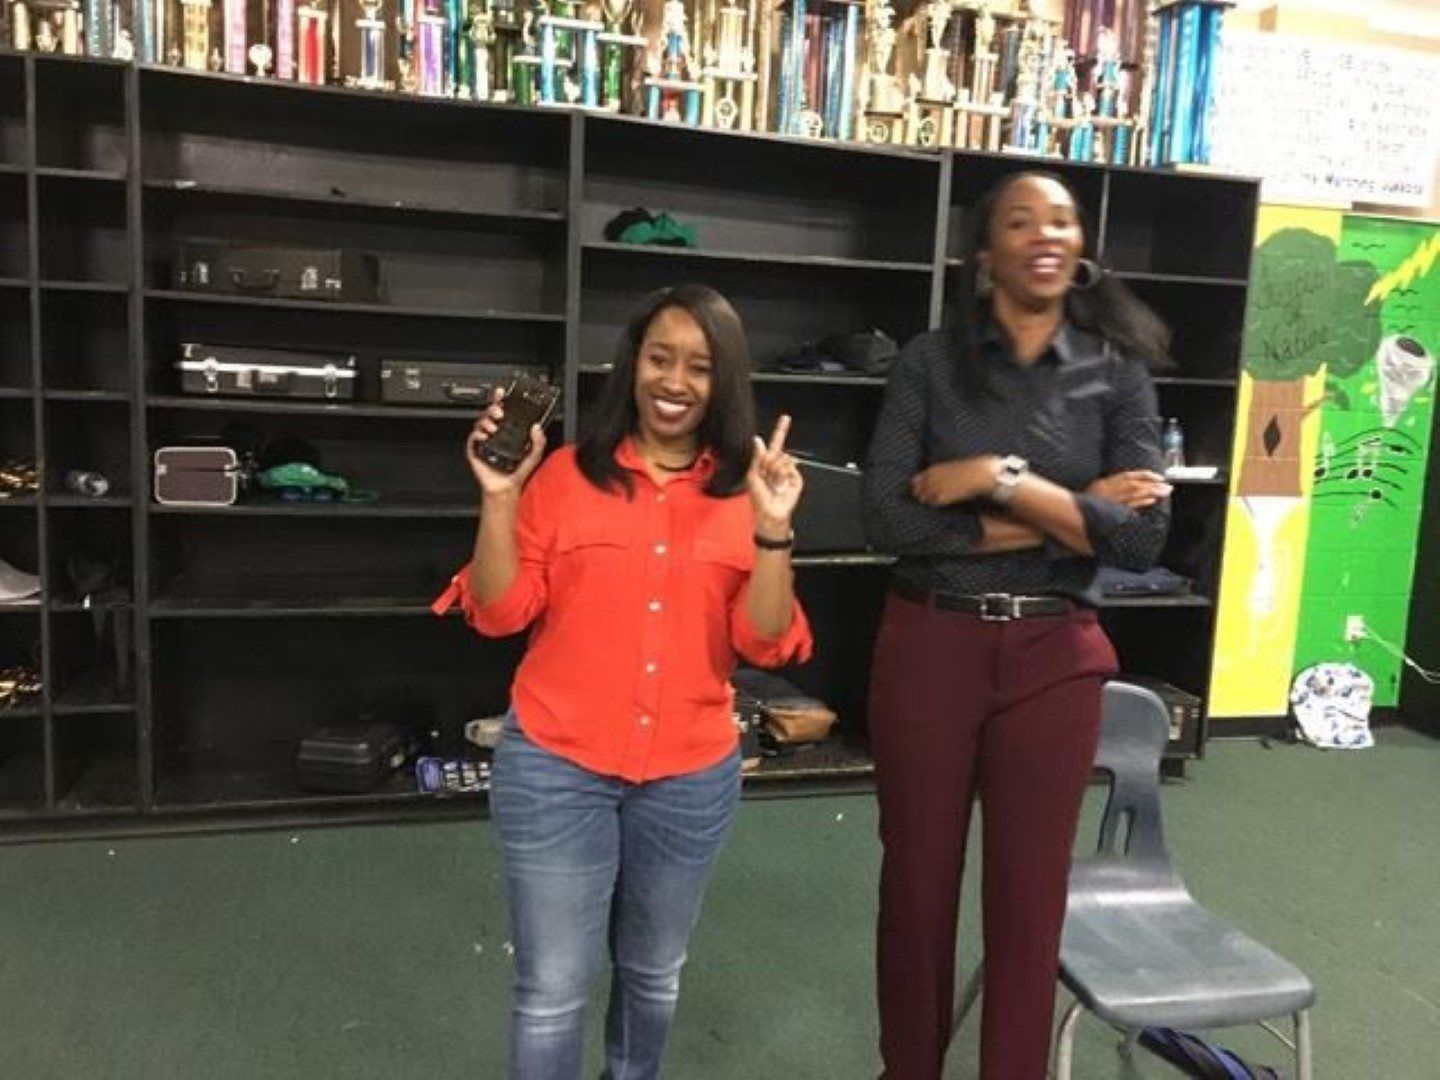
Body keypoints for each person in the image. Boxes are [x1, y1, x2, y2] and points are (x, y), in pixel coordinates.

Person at [436, 283, 811, 1080]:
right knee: (550, 989)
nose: (674, 381)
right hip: (556, 767)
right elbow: (500, 614)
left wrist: (773, 532)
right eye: (659, 357)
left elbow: (765, 641)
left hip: (688, 776)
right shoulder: (568, 476)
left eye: (700, 366)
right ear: (631, 365)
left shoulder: (749, 490)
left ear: (725, 382)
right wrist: (500, 496)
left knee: (651, 974)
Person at [862, 170, 1174, 1080]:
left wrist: (998, 480)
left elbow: (1144, 535)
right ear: (984, 252)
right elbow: (887, 519)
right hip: (930, 644)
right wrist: (1070, 513)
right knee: (916, 893)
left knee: (1028, 907)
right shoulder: (929, 362)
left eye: (1064, 219)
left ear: (1081, 248)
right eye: (1020, 219)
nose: (1046, 233)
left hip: (1054, 658)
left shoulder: (1117, 373)